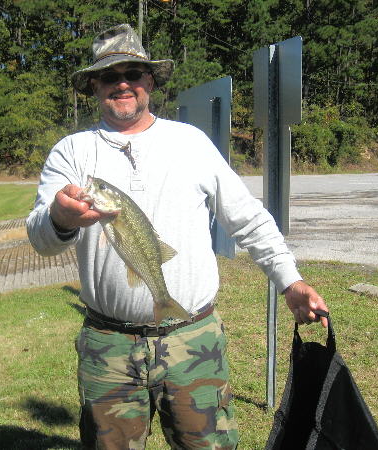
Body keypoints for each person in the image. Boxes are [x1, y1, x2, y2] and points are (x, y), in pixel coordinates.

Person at [26, 23, 329, 450]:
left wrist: (290, 280)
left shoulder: (190, 143)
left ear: (150, 81)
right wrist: (60, 217)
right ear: (94, 86)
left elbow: (248, 219)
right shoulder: (72, 151)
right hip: (108, 347)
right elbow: (41, 239)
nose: (123, 83)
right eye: (110, 76)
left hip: (194, 337)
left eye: (133, 73)